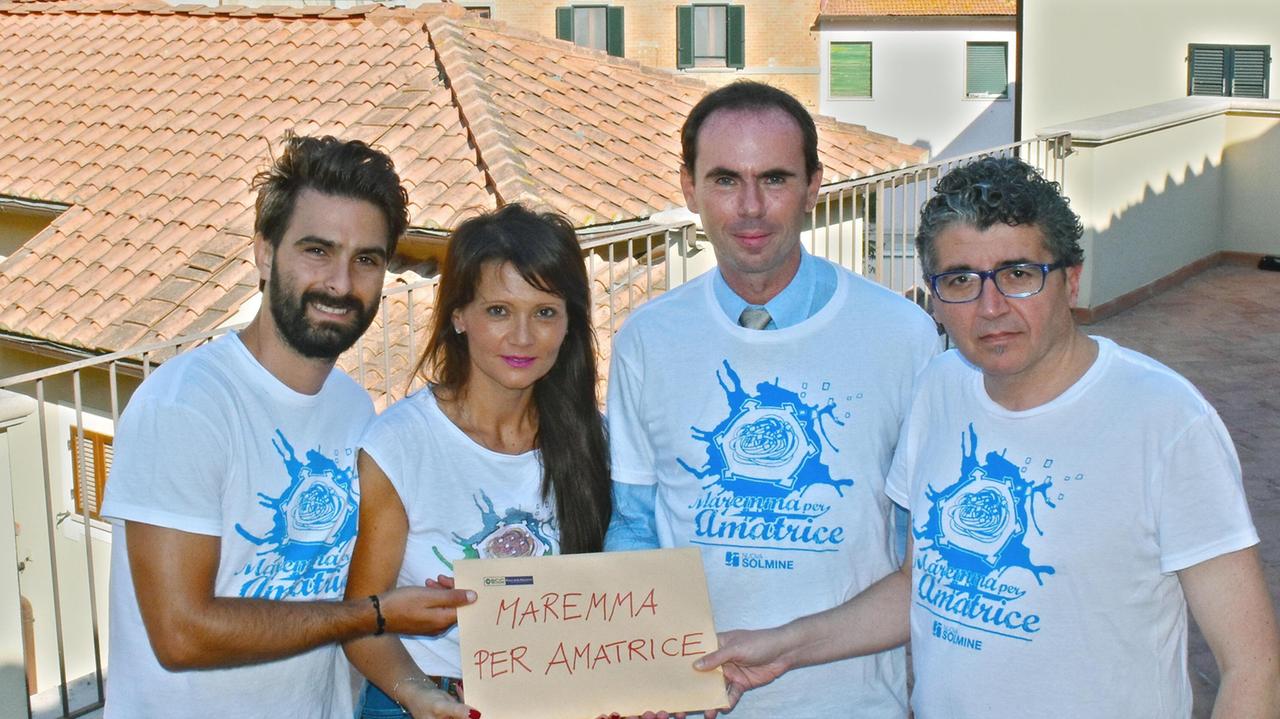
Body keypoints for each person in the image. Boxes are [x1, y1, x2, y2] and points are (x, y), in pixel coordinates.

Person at [696, 156, 1280, 717]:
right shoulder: (940, 389)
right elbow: (920, 586)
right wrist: (784, 646)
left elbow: (1252, 667)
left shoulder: (1165, 420)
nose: (990, 307)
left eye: (1018, 274)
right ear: (934, 297)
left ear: (1071, 281)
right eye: (961, 280)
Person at [100, 134, 476, 718]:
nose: (341, 283)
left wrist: (422, 674)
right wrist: (375, 614)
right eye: (317, 250)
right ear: (264, 253)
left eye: (366, 259)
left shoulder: (354, 408)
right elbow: (181, 634)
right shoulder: (184, 408)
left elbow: (351, 580)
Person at [604, 80, 940, 718]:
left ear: (814, 187)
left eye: (775, 179)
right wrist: (645, 668)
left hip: (853, 705)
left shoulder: (903, 335)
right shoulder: (647, 339)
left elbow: (919, 563)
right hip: (692, 703)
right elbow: (635, 526)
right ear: (689, 188)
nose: (750, 207)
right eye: (725, 180)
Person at [342, 203, 612, 719]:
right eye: (499, 311)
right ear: (459, 316)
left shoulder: (596, 440)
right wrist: (422, 696)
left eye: (545, 312)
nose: (523, 337)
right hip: (421, 701)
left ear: (569, 324)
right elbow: (361, 622)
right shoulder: (401, 444)